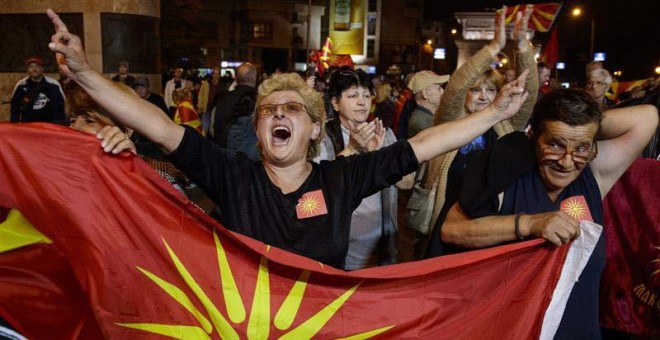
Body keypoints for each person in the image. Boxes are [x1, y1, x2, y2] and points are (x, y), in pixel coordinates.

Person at [47, 8, 529, 269]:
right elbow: (158, 126)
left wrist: (495, 114)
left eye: (292, 109)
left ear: (315, 128)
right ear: (257, 131)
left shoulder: (343, 178)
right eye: (268, 111)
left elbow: (428, 144)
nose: (278, 114)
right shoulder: (231, 175)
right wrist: (86, 73)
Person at [438, 89, 658, 338]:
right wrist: (529, 224)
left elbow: (647, 117)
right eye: (554, 144)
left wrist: (584, 122)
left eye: (581, 148)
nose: (566, 162)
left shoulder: (593, 174)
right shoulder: (506, 175)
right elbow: (452, 230)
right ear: (534, 137)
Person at [423, 6, 538, 258]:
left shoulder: (506, 125)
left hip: (488, 230)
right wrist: (494, 47)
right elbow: (456, 85)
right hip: (446, 227)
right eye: (476, 90)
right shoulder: (449, 122)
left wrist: (521, 45)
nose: (484, 96)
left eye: (490, 90)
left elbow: (528, 90)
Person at [315, 68, 407, 270]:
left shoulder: (384, 133)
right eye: (353, 95)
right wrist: (352, 149)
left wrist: (381, 157)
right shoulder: (322, 137)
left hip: (379, 245)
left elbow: (406, 182)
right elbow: (317, 185)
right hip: (338, 246)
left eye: (366, 95)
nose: (362, 102)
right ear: (335, 103)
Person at [212, 62, 258, 148]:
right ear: (255, 78)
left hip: (224, 151)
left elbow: (216, 128)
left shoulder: (223, 99)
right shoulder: (258, 100)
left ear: (236, 79)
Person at [10, 55, 66, 124]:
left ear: (43, 69)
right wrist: (14, 127)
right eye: (31, 67)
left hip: (48, 127)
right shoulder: (21, 85)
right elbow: (15, 109)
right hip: (28, 127)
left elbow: (60, 107)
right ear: (27, 70)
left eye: (37, 66)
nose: (34, 69)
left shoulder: (53, 85)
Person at [406, 70, 450, 138]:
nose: (443, 92)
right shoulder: (419, 122)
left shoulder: (430, 115)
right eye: (439, 88)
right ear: (425, 93)